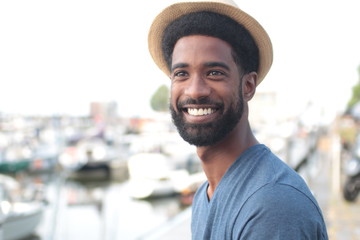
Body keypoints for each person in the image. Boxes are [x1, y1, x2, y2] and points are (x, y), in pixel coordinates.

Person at [148, 0, 328, 239]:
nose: (194, 91)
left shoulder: (272, 204)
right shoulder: (205, 196)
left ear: (248, 85)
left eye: (214, 73)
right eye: (181, 74)